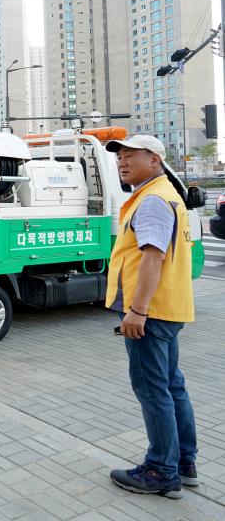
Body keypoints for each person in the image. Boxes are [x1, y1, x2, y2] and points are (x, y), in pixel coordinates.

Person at [104, 134, 197, 499]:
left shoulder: (154, 200)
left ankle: (161, 470)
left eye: (130, 156)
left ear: (155, 160)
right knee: (172, 387)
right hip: (169, 309)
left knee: (153, 389)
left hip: (151, 313)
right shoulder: (163, 196)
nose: (122, 162)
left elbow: (153, 257)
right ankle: (183, 462)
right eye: (119, 158)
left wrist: (137, 311)